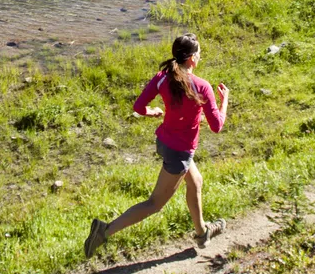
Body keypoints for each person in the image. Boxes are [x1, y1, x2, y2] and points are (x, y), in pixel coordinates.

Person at [85, 32, 229, 257]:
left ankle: (202, 233)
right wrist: (225, 100)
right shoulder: (202, 87)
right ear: (192, 58)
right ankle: (104, 231)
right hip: (179, 152)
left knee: (196, 181)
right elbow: (217, 125)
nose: (200, 56)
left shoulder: (163, 77)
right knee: (154, 204)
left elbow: (138, 106)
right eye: (199, 53)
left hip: (164, 142)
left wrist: (151, 112)